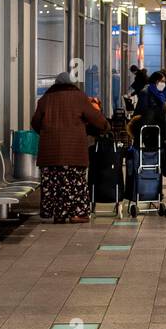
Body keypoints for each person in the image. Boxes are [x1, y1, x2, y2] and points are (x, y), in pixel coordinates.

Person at [30, 71, 110, 223]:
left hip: (50, 153)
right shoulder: (79, 97)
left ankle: (58, 214)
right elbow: (95, 118)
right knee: (74, 183)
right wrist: (105, 126)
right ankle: (76, 214)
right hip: (74, 152)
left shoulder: (45, 99)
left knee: (54, 183)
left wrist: (48, 133)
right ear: (71, 84)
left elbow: (35, 123)